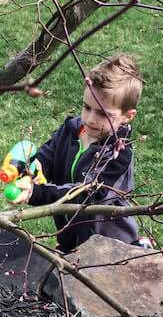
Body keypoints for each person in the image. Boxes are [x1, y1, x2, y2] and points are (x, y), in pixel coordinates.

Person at [12, 53, 145, 252]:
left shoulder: (118, 155)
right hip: (70, 236)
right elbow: (47, 156)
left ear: (128, 116)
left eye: (103, 114)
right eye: (86, 107)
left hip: (109, 246)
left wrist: (36, 193)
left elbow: (85, 194)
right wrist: (32, 168)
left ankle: (139, 247)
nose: (90, 118)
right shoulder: (72, 130)